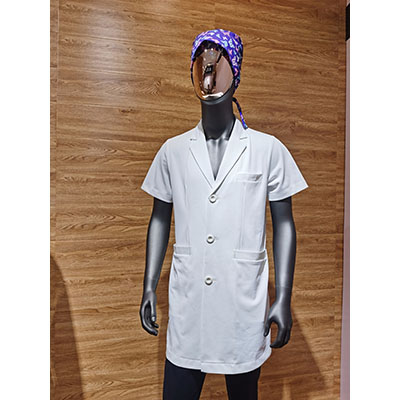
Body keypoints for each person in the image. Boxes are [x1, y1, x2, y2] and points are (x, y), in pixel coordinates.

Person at [139, 29, 309, 399]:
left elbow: (284, 223)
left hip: (242, 302)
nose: (209, 76)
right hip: (189, 304)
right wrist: (148, 284)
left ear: (237, 73)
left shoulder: (267, 149)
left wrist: (283, 295)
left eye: (218, 66)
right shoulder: (173, 151)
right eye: (202, 66)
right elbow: (159, 218)